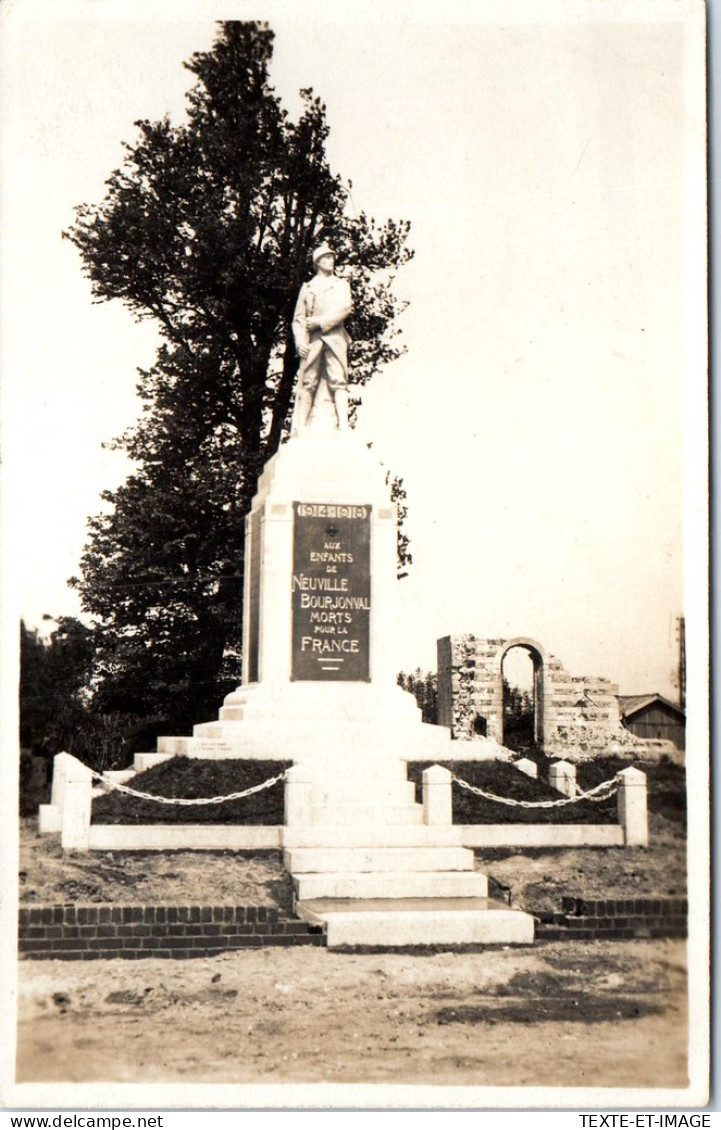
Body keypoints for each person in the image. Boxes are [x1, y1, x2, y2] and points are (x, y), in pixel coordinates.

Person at [291, 243, 352, 431]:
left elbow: (345, 309)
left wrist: (320, 322)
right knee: (308, 381)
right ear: (317, 262)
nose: (331, 260)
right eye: (326, 257)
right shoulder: (308, 287)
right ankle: (301, 426)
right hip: (313, 341)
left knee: (339, 380)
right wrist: (300, 341)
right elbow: (298, 319)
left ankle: (344, 425)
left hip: (334, 337)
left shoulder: (341, 284)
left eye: (332, 257)